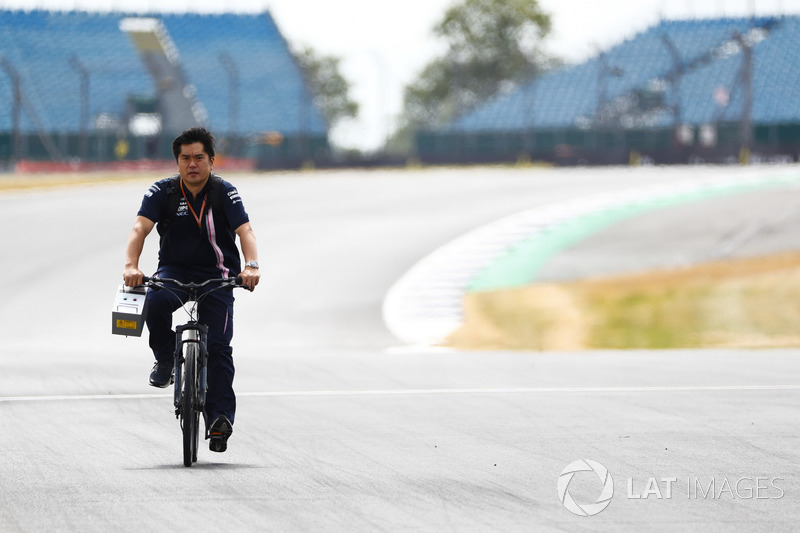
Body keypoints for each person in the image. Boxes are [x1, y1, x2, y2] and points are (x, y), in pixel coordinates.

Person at [122, 127, 260, 453]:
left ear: (212, 161)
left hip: (219, 275)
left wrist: (251, 266)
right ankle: (165, 358)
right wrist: (131, 266)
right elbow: (140, 227)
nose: (192, 164)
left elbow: (246, 231)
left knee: (219, 346)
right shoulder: (163, 192)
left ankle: (219, 420)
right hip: (174, 271)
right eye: (186, 158)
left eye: (199, 157)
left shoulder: (224, 192)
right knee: (153, 303)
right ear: (178, 161)